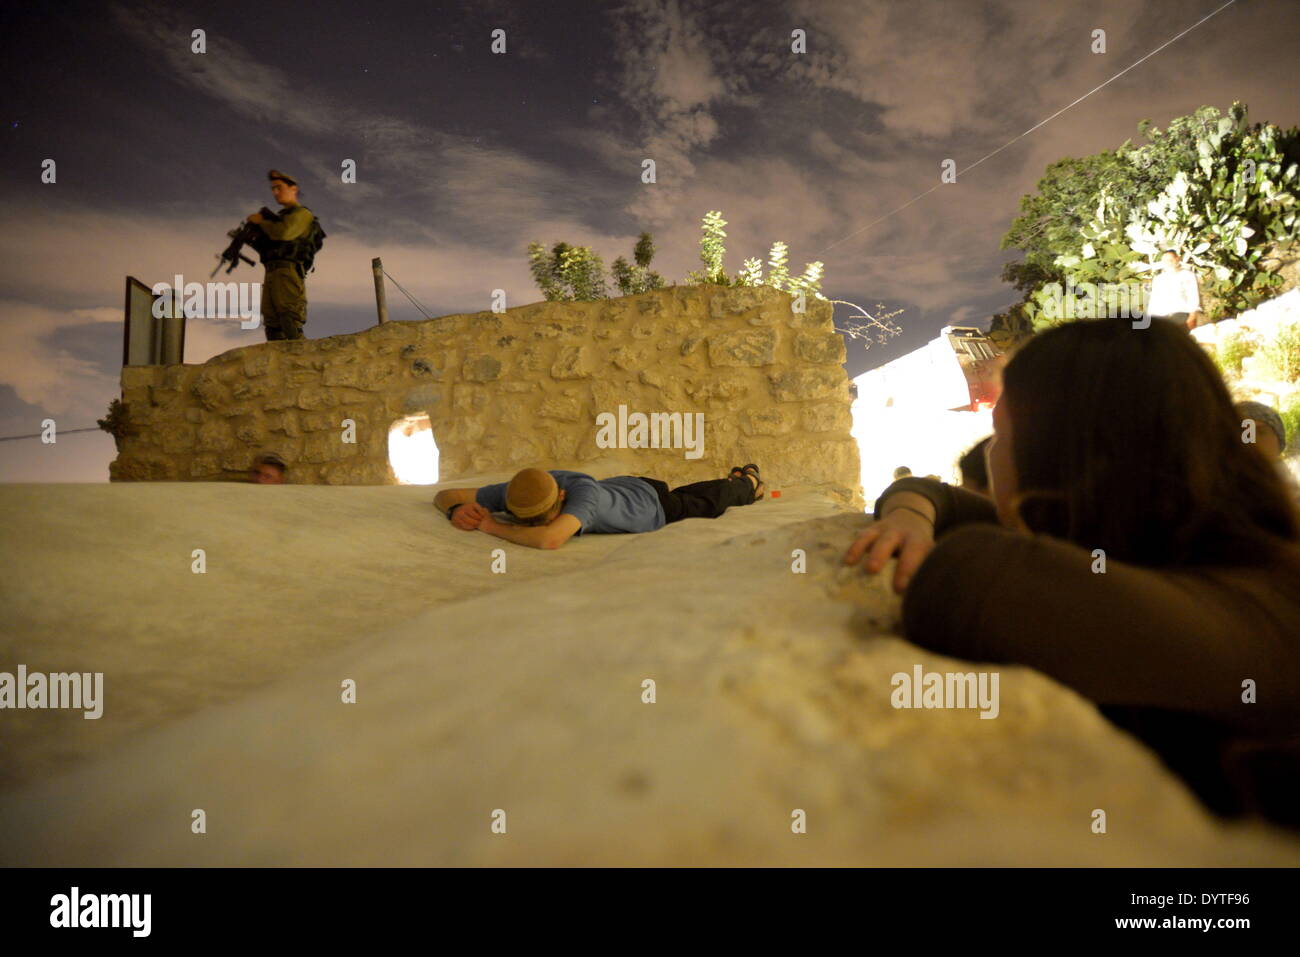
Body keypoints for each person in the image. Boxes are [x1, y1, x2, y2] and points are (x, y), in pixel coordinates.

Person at [843, 317, 1300, 827]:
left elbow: (963, 575)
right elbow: (939, 497)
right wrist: (909, 517)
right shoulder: (1172, 527)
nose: (992, 452)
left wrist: (995, 521)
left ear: (1058, 453)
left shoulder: (1262, 611)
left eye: (1002, 432)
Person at [433, 465, 763, 550]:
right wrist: (455, 510)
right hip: (623, 487)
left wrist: (490, 526)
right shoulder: (519, 490)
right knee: (696, 491)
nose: (533, 525)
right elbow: (447, 493)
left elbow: (550, 540)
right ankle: (734, 480)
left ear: (561, 497)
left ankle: (747, 482)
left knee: (715, 500)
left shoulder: (583, 494)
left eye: (541, 518)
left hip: (653, 505)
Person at [249, 170, 318, 341]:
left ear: (293, 189)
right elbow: (269, 246)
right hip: (272, 272)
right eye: (273, 189)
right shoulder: (279, 218)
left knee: (289, 318)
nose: (275, 193)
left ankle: (303, 359)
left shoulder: (303, 214)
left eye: (279, 188)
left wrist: (262, 223)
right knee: (272, 322)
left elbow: (284, 233)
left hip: (288, 272)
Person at [1145, 249, 1203, 330]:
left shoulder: (1187, 275)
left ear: (1177, 259)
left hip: (1181, 315)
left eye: (1170, 260)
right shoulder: (1158, 279)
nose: (1168, 263)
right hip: (1162, 318)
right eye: (1165, 261)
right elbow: (1154, 300)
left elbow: (1193, 295)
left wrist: (1193, 316)